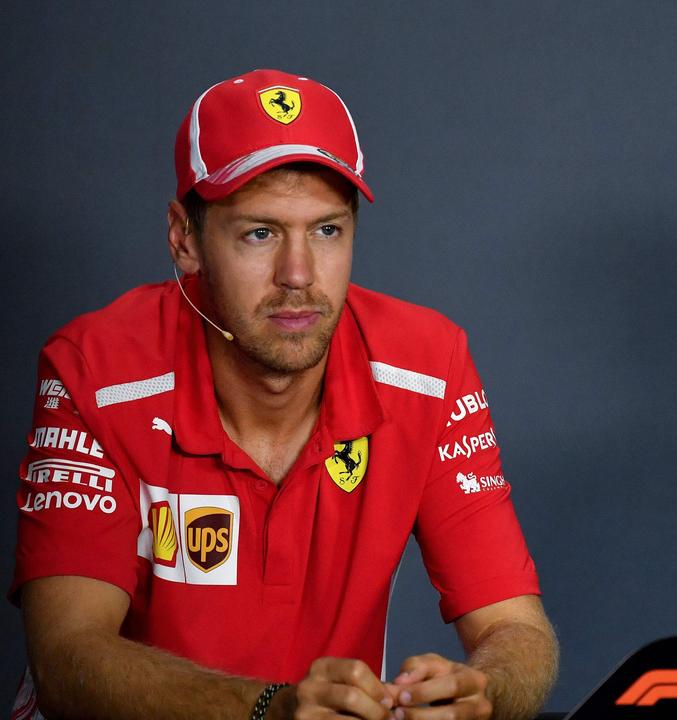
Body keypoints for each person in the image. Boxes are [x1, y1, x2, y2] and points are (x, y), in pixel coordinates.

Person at [11, 69, 557, 720]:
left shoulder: (428, 368)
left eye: (327, 231)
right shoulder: (95, 369)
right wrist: (271, 710)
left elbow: (519, 633)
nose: (298, 276)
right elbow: (66, 659)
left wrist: (481, 697)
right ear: (185, 239)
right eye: (260, 233)